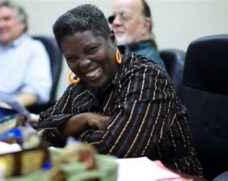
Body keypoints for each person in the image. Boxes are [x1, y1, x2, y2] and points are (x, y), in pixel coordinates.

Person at [36, 4, 203, 176]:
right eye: (72, 58)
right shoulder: (82, 83)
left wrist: (63, 135)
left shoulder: (147, 77)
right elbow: (42, 124)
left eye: (92, 50)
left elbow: (116, 150)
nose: (84, 63)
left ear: (112, 39)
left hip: (172, 176)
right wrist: (82, 119)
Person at [109, 0, 166, 69]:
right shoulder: (124, 56)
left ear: (145, 26)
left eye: (124, 17)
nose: (115, 23)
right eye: (112, 18)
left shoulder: (147, 65)